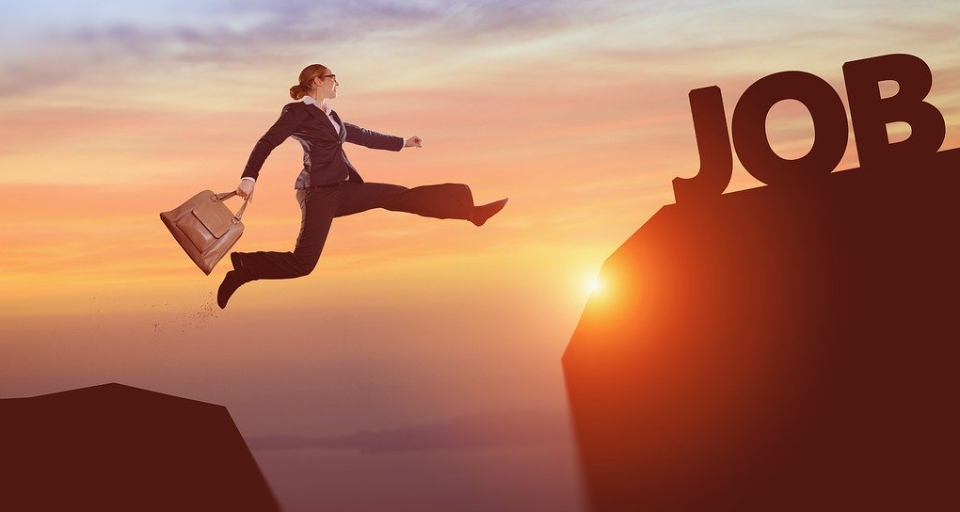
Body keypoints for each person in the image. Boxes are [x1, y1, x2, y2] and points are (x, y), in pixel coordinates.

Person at [217, 64, 508, 309]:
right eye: (333, 78)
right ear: (317, 81)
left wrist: (402, 142)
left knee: (398, 196)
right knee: (303, 264)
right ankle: (245, 268)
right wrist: (249, 177)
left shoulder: (331, 115)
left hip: (343, 190)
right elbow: (266, 142)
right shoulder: (295, 113)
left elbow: (360, 134)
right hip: (317, 194)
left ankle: (469, 211)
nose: (337, 83)